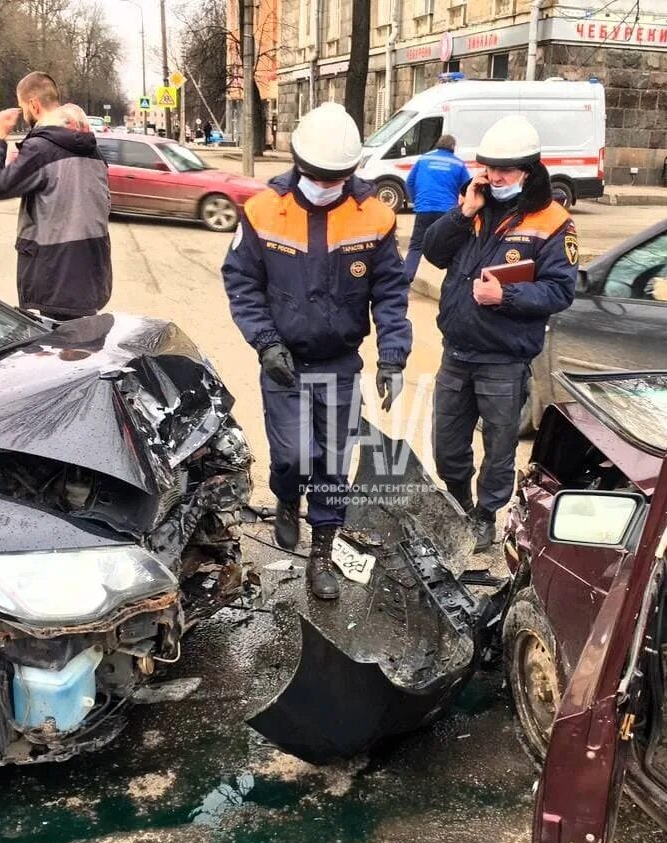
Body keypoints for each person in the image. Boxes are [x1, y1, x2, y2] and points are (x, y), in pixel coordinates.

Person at [222, 102, 411, 601]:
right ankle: (286, 498)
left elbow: (390, 292)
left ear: (351, 173)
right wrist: (265, 342)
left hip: (340, 364)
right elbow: (242, 282)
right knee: (292, 455)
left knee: (332, 464)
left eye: (335, 177)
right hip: (283, 360)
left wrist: (393, 353)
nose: (324, 184)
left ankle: (321, 554)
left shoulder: (374, 216)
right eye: (315, 176)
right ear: (297, 164)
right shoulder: (263, 210)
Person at [423, 115, 579, 552]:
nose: (494, 177)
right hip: (456, 351)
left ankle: (484, 516)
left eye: (504, 171)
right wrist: (463, 211)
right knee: (447, 442)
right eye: (489, 168)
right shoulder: (476, 206)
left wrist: (505, 297)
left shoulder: (552, 220)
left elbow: (561, 290)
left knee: (499, 445)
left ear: (528, 171)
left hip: (504, 359)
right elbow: (433, 253)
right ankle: (456, 501)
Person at [0, 71, 112, 322]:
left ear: (33, 105)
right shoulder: (93, 148)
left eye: (23, 107)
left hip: (55, 276)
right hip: (92, 271)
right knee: (81, 347)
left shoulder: (41, 148)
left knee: (58, 351)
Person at [403, 134, 470, 282]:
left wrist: (417, 201)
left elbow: (409, 182)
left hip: (424, 209)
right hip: (446, 212)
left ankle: (406, 278)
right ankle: (454, 281)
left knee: (416, 247)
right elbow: (467, 187)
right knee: (451, 248)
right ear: (453, 147)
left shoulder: (423, 159)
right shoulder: (458, 164)